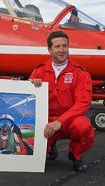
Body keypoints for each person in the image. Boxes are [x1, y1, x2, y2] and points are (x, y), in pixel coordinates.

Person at [29, 30, 95, 172]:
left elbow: (83, 103)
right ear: (49, 49)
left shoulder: (80, 74)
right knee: (30, 135)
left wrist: (60, 122)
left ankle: (75, 155)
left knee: (84, 127)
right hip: (45, 121)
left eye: (65, 46)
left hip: (69, 121)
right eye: (57, 46)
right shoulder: (38, 72)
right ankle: (49, 148)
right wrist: (31, 85)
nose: (62, 50)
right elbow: (27, 99)